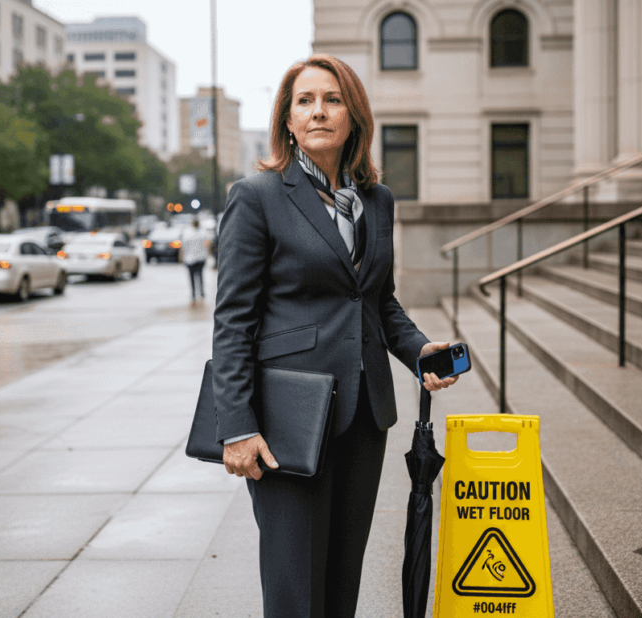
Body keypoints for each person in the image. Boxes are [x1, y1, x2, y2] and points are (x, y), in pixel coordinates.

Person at [211, 54, 458, 617]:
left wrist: (419, 350)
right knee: (296, 591)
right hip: (288, 420)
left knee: (341, 584)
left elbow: (376, 300)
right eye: (305, 101)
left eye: (332, 99)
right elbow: (233, 321)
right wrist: (237, 426)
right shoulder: (258, 197)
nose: (318, 111)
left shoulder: (377, 201)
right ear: (288, 120)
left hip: (363, 418)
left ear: (354, 115)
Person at [182, 218, 209, 302]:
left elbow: (184, 246)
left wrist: (182, 257)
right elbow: (207, 244)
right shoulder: (202, 233)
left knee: (192, 277)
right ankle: (201, 292)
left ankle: (193, 293)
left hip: (190, 258)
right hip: (201, 257)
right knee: (200, 276)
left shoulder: (188, 234)